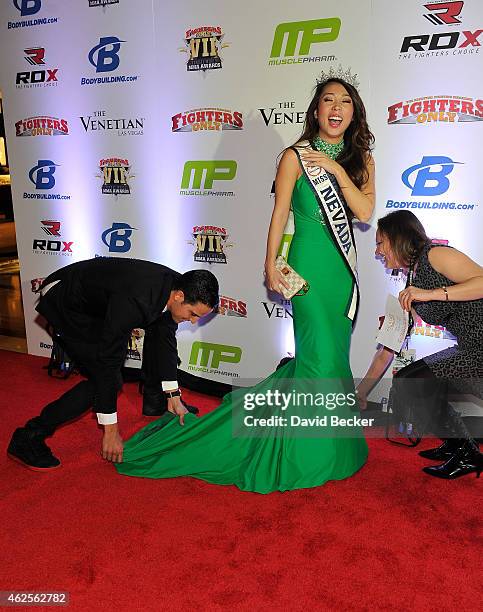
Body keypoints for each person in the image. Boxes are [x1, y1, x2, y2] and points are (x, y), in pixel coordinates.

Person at [115, 74, 376, 493]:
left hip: (341, 274)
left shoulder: (360, 159)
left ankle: (334, 446)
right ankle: (307, 452)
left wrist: (334, 170)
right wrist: (271, 264)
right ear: (316, 111)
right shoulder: (294, 156)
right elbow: (279, 216)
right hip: (306, 269)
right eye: (328, 100)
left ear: (353, 113)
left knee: (335, 358)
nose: (336, 107)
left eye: (344, 101)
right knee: (317, 360)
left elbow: (364, 212)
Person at [7, 257, 219, 470]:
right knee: (105, 379)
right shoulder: (137, 300)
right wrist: (111, 431)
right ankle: (28, 436)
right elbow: (108, 361)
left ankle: (156, 401)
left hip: (97, 302)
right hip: (66, 302)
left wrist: (173, 395)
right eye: (193, 314)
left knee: (158, 333)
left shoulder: (176, 286)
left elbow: (165, 339)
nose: (193, 322)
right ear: (179, 296)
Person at [357, 211, 483, 479]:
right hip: (468, 346)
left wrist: (430, 294)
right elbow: (389, 346)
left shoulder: (435, 254)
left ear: (396, 237)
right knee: (407, 380)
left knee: (416, 382)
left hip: (480, 346)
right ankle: (457, 444)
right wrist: (362, 391)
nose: (378, 251)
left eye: (380, 242)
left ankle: (467, 454)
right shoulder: (409, 283)